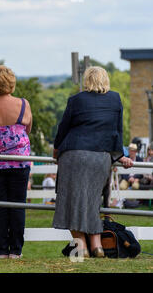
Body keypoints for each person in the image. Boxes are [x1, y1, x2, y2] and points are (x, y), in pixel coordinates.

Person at [52, 66, 133, 259]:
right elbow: (117, 131)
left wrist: (56, 150)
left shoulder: (76, 100)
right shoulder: (115, 99)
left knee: (70, 202)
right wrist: (119, 155)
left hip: (73, 154)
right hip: (100, 157)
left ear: (86, 80)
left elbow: (63, 129)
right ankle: (97, 247)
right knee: (93, 201)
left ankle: (81, 248)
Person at [0, 65, 32, 260]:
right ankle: (16, 250)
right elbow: (27, 129)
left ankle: (2, 250)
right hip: (20, 162)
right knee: (18, 205)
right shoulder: (24, 104)